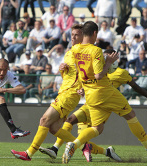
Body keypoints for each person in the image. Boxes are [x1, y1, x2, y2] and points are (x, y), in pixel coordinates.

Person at [60, 21, 147, 164]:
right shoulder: (95, 50)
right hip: (104, 91)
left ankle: (74, 143)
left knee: (96, 128)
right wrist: (108, 62)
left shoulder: (75, 49)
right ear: (95, 33)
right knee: (131, 115)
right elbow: (98, 75)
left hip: (90, 95)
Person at [39, 49, 147, 162]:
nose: (102, 59)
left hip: (106, 102)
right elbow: (84, 81)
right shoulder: (95, 70)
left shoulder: (120, 72)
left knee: (98, 128)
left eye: (105, 57)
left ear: (113, 60)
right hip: (90, 102)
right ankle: (57, 148)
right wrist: (81, 89)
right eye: (102, 57)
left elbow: (135, 86)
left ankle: (80, 146)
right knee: (70, 121)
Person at [11, 24, 93, 161]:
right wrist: (62, 70)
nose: (73, 37)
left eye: (76, 35)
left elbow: (89, 74)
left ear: (82, 37)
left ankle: (29, 153)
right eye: (72, 34)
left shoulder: (83, 54)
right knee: (54, 128)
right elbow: (67, 77)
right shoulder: (69, 53)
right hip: (64, 92)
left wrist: (84, 88)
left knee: (44, 120)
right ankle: (84, 145)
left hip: (70, 94)